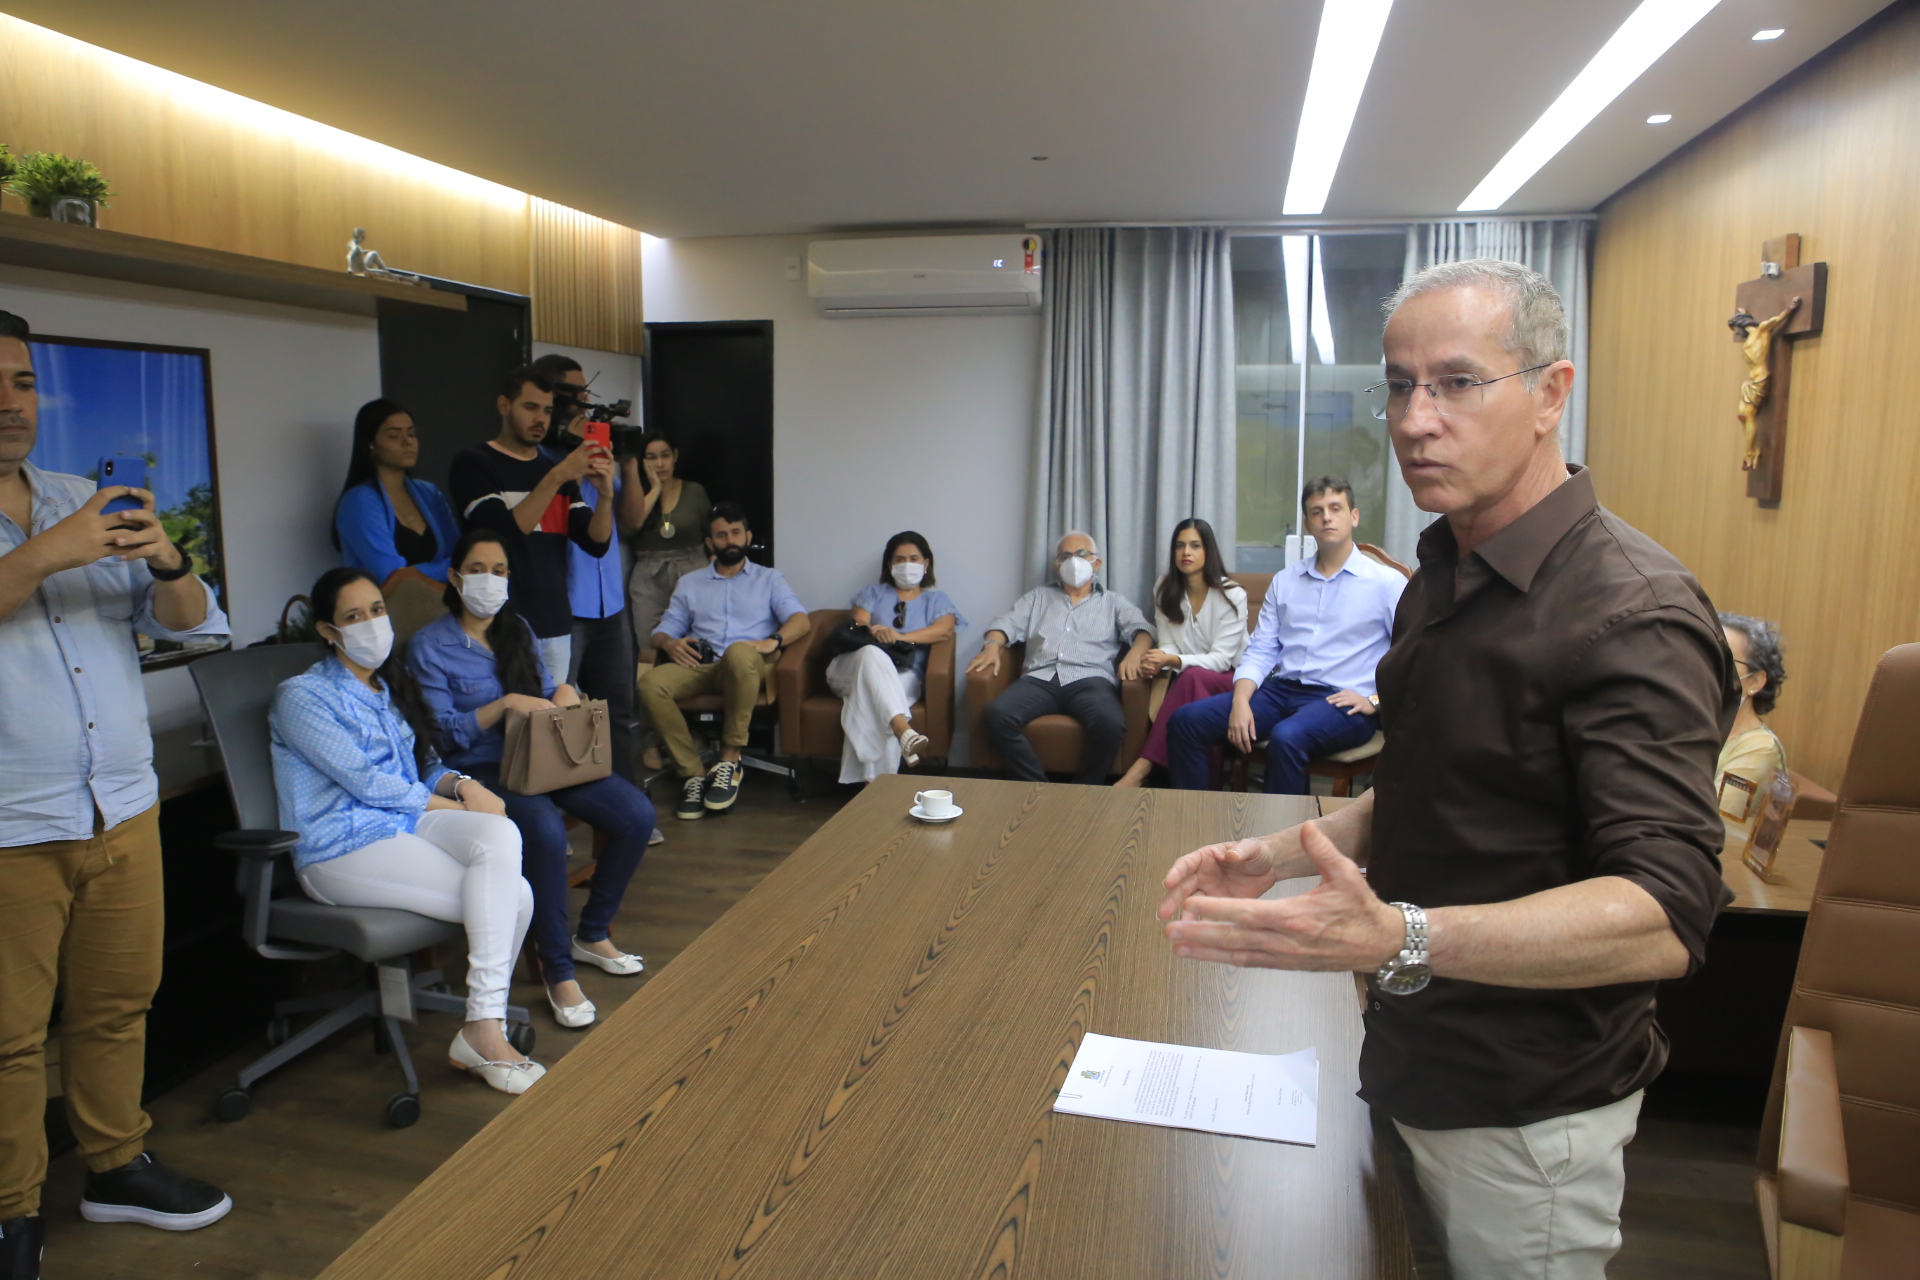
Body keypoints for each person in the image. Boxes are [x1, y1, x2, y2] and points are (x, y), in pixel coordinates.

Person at [1158, 259, 1736, 1280]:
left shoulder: (1629, 610)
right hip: (1407, 1049)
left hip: (1525, 1108)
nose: (1415, 420)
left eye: (1458, 383)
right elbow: (1435, 787)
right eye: (1399, 386)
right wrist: (1283, 853)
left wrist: (1400, 934)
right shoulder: (1438, 571)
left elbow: (1663, 913)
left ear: (1551, 394)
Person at [0, 311, 233, 1275]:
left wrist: (169, 560)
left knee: (116, 1005)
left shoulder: (80, 498)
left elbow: (197, 623)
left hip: (122, 802)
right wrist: (46, 553)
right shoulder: (64, 527)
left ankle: (115, 1165)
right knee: (8, 1038)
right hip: (12, 823)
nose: (10, 402)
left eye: (21, 381)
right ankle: (10, 1212)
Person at [271, 567, 543, 1096]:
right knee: (514, 898)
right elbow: (367, 782)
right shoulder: (302, 697)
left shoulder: (387, 685)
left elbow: (425, 764)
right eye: (354, 616)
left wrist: (464, 787)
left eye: (376, 610)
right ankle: (485, 1032)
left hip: (402, 823)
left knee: (503, 838)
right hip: (340, 845)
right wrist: (451, 803)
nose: (371, 623)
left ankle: (482, 1027)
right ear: (328, 630)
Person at [409, 530, 655, 1029]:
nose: (490, 581)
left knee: (636, 814)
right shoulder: (430, 646)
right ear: (455, 578)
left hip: (542, 756)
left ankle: (592, 932)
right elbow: (440, 735)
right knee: (542, 830)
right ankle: (557, 970)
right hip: (480, 768)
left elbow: (544, 690)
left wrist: (563, 692)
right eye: (478, 570)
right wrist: (501, 706)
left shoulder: (516, 627)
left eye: (499, 571)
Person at [1162, 478, 1403, 795]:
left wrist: (1376, 700)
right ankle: (1196, 818)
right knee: (1185, 721)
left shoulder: (1386, 583)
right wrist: (1240, 701)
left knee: (1287, 738)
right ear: (1307, 524)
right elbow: (1261, 649)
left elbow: (1413, 653)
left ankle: (1287, 829)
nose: (1326, 518)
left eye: (1335, 509)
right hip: (1280, 691)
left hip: (1343, 701)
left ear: (1354, 516)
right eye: (1316, 512)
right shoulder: (1286, 580)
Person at [638, 503, 810, 820]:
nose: (730, 540)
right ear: (709, 542)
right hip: (701, 666)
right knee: (650, 683)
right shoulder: (690, 583)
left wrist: (773, 641)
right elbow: (663, 629)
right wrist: (669, 643)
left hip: (748, 666)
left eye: (735, 533)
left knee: (739, 652)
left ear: (747, 537)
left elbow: (800, 620)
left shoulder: (769, 579)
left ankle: (730, 758)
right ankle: (693, 773)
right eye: (721, 535)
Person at [447, 366, 615, 684]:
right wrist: (557, 477)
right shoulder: (474, 462)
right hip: (497, 622)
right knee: (506, 712)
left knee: (553, 714)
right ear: (504, 405)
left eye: (547, 411)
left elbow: (596, 543)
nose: (540, 418)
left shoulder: (556, 470)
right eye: (530, 407)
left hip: (554, 622)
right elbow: (501, 535)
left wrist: (605, 495)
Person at [969, 531, 1153, 785]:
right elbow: (1005, 624)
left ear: (1096, 563)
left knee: (1110, 723)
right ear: (1056, 566)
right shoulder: (1038, 597)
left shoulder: (1113, 602)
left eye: (1082, 554)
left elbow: (1143, 630)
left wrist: (1136, 652)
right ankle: (1038, 789)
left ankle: (1084, 791)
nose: (1073, 561)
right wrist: (992, 646)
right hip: (1039, 679)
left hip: (1090, 680)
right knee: (997, 715)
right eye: (1066, 556)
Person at [528, 353, 637, 783]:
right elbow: (545, 520)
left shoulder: (596, 447)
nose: (585, 404)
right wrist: (572, 460)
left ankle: (627, 803)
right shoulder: (541, 457)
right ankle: (563, 808)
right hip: (565, 606)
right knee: (562, 713)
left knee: (619, 711)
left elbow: (630, 520)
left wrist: (626, 459)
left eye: (586, 394)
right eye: (576, 394)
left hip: (611, 602)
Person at [1113, 518, 1248, 789]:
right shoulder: (1165, 590)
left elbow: (1222, 660)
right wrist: (1157, 660)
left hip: (1235, 678)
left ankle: (1140, 770)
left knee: (1193, 678)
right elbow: (1169, 643)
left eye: (1195, 546)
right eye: (1180, 546)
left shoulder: (1232, 595)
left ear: (1208, 551)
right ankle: (1204, 790)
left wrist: (1172, 660)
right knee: (1194, 684)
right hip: (1192, 678)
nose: (1186, 552)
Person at [830, 532, 965, 783]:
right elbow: (859, 625)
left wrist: (900, 637)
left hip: (905, 673)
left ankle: (872, 783)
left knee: (880, 697)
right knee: (872, 653)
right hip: (851, 668)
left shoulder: (936, 599)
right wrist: (875, 631)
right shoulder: (873, 592)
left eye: (914, 559)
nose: (907, 564)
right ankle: (902, 729)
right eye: (900, 559)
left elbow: (944, 630)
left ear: (926, 564)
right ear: (890, 565)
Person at [619, 427, 711, 774]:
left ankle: (689, 731)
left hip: (693, 571)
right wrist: (654, 489)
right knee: (649, 655)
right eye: (651, 457)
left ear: (675, 456)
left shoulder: (695, 491)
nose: (659, 463)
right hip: (649, 576)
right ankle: (650, 737)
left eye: (665, 455)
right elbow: (629, 528)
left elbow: (710, 536)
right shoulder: (633, 490)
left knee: (693, 654)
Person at [332, 398, 463, 640]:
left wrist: (412, 573)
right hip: (385, 626)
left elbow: (462, 558)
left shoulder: (429, 493)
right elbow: (392, 576)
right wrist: (444, 571)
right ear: (370, 444)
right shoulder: (359, 501)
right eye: (394, 436)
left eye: (411, 434)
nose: (407, 442)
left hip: (439, 618)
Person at [1716, 612, 1789, 852]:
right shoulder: (1690, 729)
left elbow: (1708, 824)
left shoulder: (1759, 749)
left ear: (1755, 681)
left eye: (1722, 660)